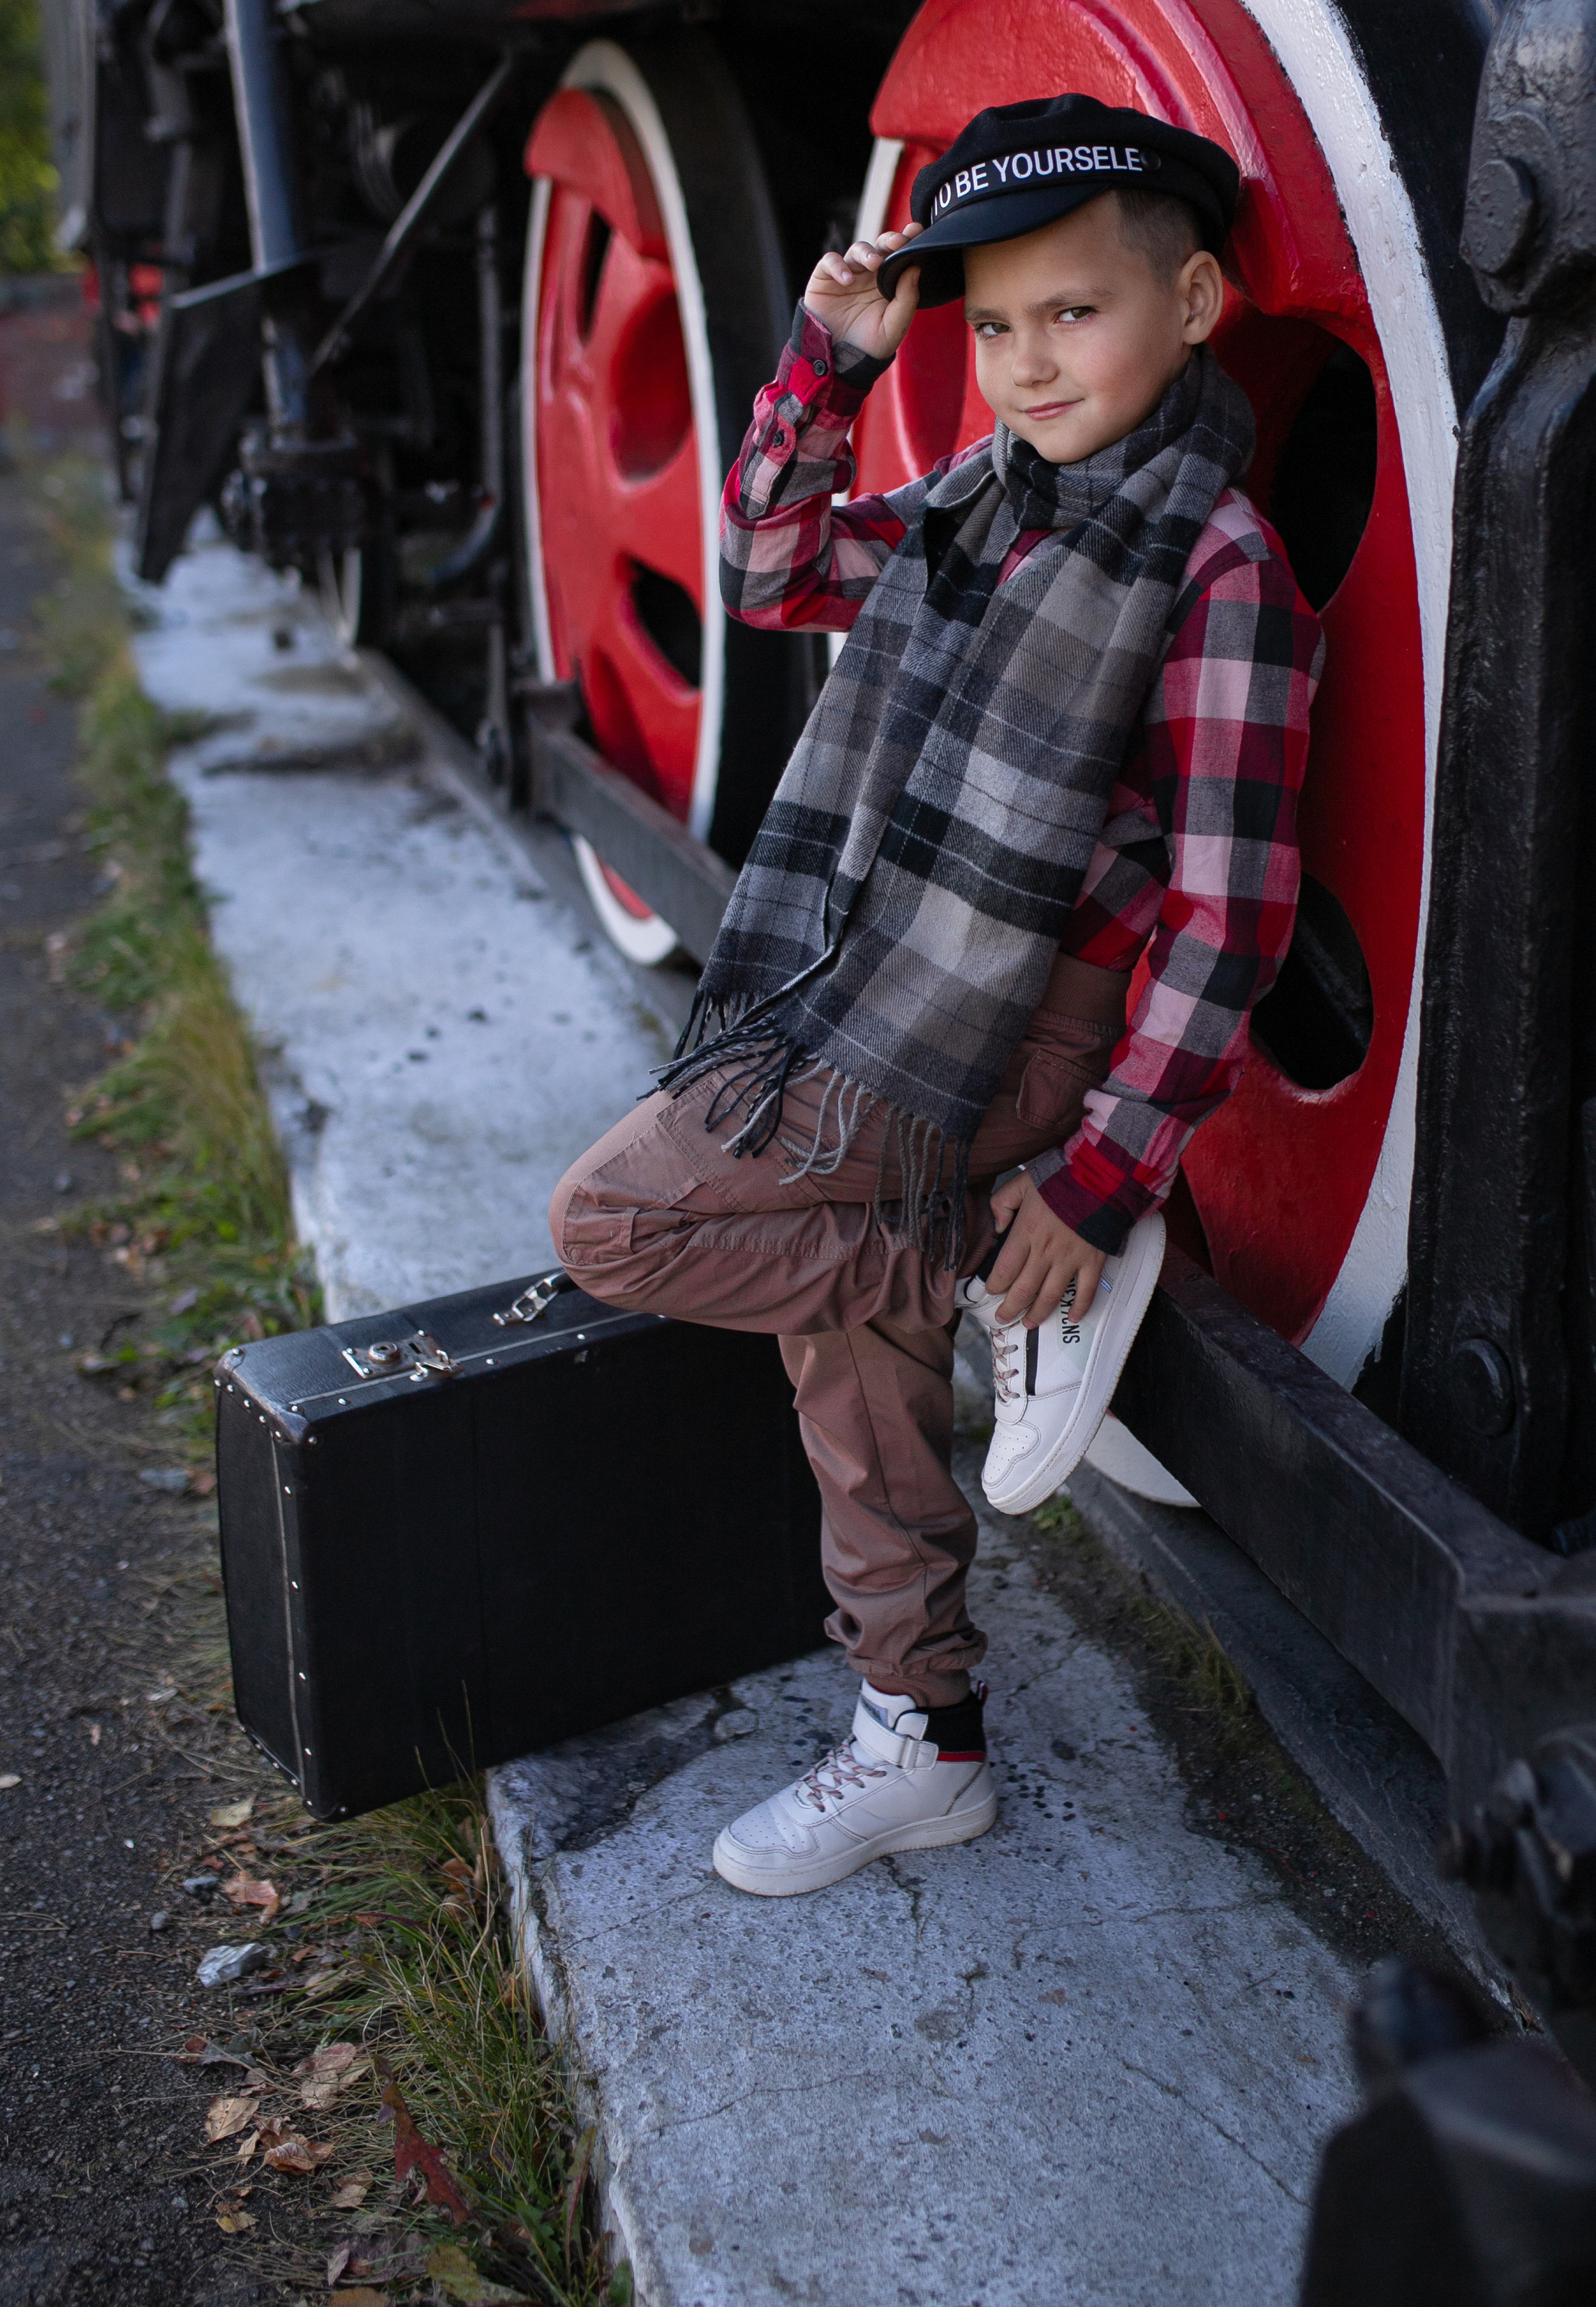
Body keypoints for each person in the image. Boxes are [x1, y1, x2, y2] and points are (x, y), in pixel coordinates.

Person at [549, 92, 1324, 1897]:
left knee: (615, 1222)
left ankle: (981, 1259)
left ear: (1196, 303)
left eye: (1074, 312)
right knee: (848, 1358)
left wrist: (1098, 1172)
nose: (1026, 361)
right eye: (989, 325)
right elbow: (768, 565)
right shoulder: (981, 504)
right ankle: (926, 1734)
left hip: (1012, 1033)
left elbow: (1228, 920)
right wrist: (827, 359)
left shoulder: (1215, 567)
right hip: (882, 985)